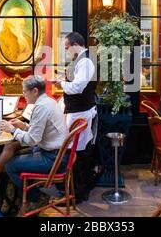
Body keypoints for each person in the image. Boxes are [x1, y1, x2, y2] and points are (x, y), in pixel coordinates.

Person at [0, 75, 68, 212]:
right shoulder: (49, 101)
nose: (23, 94)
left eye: (24, 91)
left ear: (35, 91)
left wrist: (12, 130)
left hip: (54, 159)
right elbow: (39, 130)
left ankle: (36, 197)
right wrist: (23, 126)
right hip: (58, 154)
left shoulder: (41, 107)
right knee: (15, 155)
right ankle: (21, 196)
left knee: (9, 165)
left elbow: (31, 140)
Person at [53, 32, 98, 202]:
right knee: (76, 151)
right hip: (77, 111)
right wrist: (64, 79)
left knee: (79, 152)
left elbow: (77, 88)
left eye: (67, 48)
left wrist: (61, 84)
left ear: (75, 44)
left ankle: (79, 193)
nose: (67, 51)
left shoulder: (86, 61)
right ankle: (74, 189)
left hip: (82, 112)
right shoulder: (81, 59)